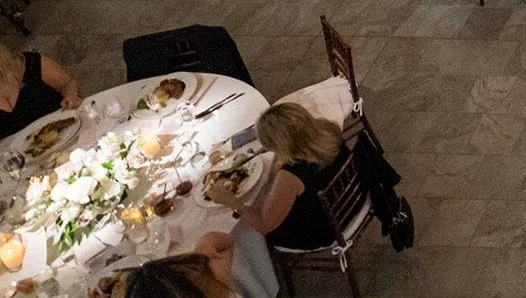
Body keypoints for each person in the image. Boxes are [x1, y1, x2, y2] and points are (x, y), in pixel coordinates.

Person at [210, 102, 353, 251]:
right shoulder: (327, 128)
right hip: (348, 199)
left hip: (324, 229)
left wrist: (232, 202)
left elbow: (263, 225)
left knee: (251, 230)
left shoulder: (291, 176)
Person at [0, 39, 79, 140]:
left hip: (69, 132)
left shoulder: (30, 63)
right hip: (30, 153)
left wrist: (71, 95)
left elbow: (67, 82)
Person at [122, 238, 235, 298]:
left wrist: (203, 249)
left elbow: (221, 241)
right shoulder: (210, 284)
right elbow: (224, 241)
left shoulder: (211, 281)